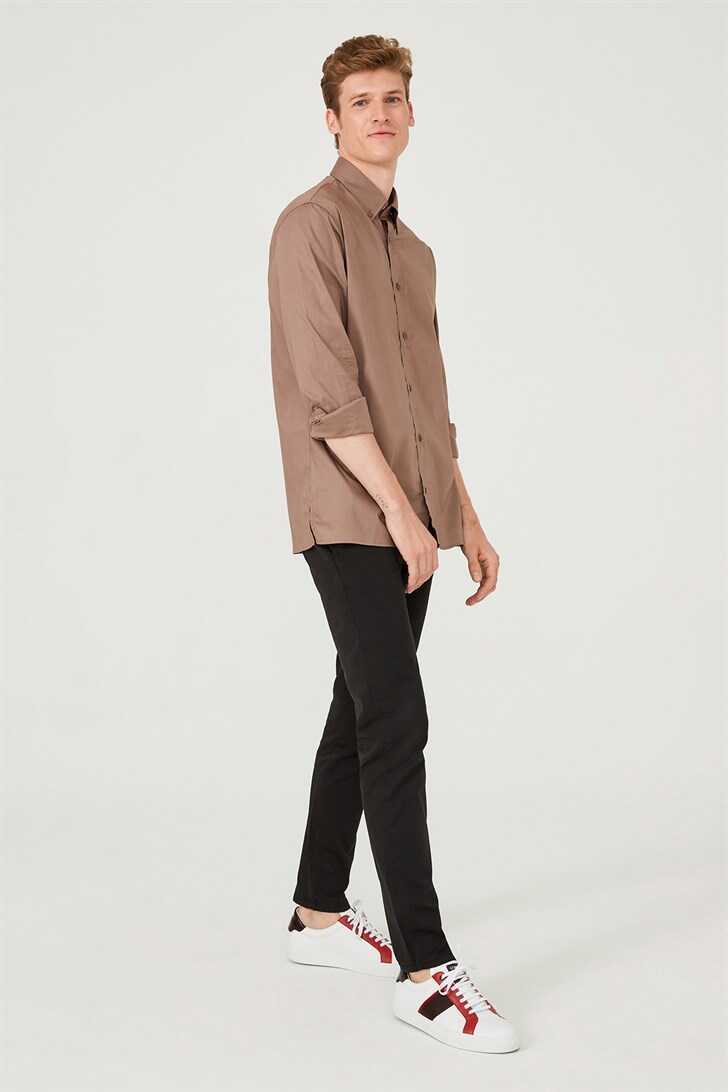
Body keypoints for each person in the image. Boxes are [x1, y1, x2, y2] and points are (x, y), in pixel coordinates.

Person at [267, 34, 518, 1055]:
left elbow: (427, 406)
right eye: (361, 101)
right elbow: (329, 397)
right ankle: (425, 971)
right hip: (347, 511)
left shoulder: (413, 253)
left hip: (414, 510)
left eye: (393, 99)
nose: (380, 114)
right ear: (332, 121)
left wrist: (462, 516)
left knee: (361, 703)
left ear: (412, 115)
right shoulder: (307, 226)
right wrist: (404, 519)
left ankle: (317, 912)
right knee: (396, 718)